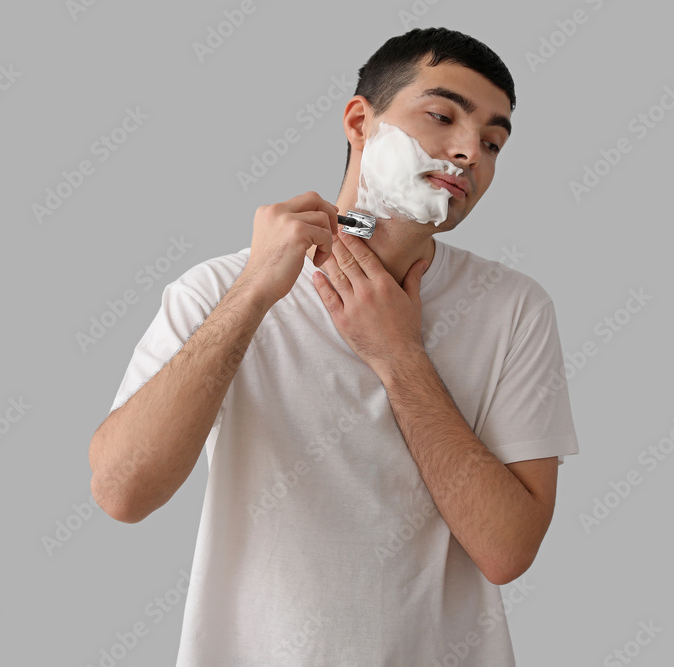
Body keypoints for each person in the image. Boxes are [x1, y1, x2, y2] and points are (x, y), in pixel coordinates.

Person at [89, 26, 580, 666]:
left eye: (492, 142)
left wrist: (399, 355)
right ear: (359, 120)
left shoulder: (512, 307)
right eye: (442, 117)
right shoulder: (215, 288)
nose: (469, 154)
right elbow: (123, 492)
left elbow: (507, 551)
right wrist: (253, 294)